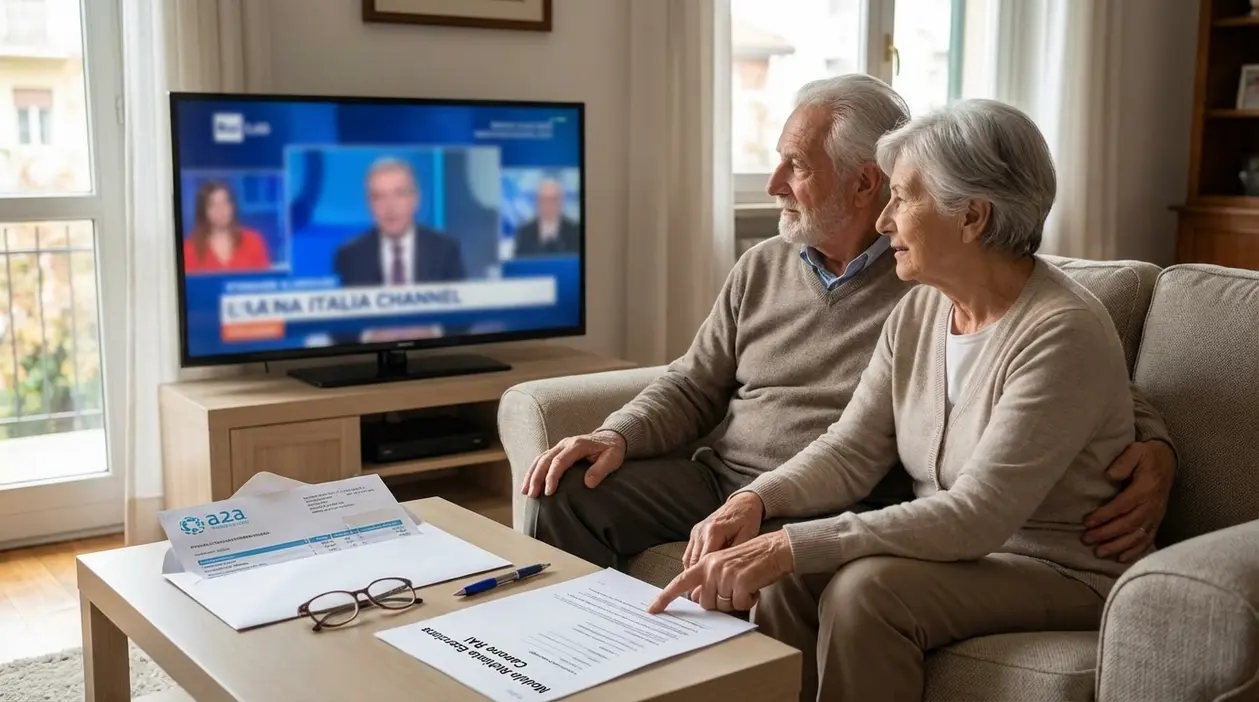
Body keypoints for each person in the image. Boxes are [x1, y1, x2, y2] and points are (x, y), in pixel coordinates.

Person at [520, 75, 1176, 584]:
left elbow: (1063, 373)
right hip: (729, 478)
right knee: (567, 496)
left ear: (865, 184)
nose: (774, 183)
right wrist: (615, 433)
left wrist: (1155, 445)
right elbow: (694, 380)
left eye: (796, 166)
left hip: (839, 500)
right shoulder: (764, 264)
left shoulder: (932, 275)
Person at [645, 99, 1146, 701]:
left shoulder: (1061, 332)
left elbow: (975, 515)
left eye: (904, 198)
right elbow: (849, 449)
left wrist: (791, 543)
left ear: (972, 218)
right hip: (954, 553)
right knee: (784, 577)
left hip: (1057, 567)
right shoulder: (923, 310)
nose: (884, 221)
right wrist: (756, 500)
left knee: (866, 592)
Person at [334, 157, 465, 286]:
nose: (390, 207)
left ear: (415, 199)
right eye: (379, 197)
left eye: (399, 194)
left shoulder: (444, 250)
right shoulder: (350, 256)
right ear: (369, 204)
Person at [183, 181, 271, 273]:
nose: (220, 210)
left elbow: (264, 282)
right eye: (212, 205)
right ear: (203, 211)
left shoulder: (253, 241)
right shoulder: (189, 249)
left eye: (225, 203)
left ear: (232, 207)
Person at [514, 178, 580, 256]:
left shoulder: (575, 233)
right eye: (543, 200)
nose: (548, 205)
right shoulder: (524, 233)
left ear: (560, 202)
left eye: (552, 200)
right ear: (537, 202)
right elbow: (519, 266)